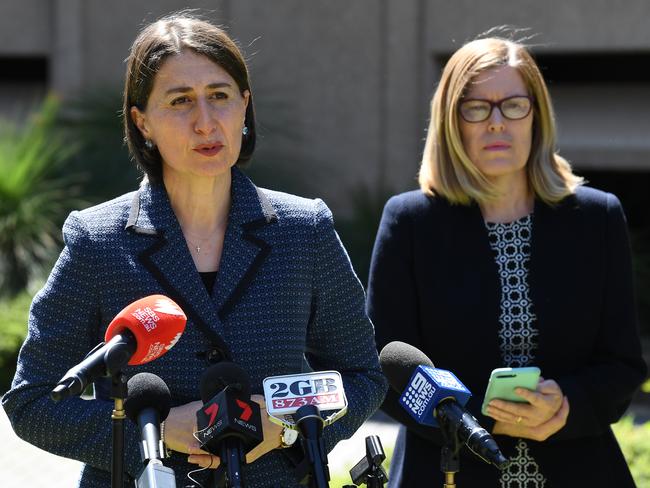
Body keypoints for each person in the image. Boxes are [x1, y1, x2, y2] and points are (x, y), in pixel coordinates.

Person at [2, 13, 387, 488]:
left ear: (244, 107)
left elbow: (363, 376)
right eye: (180, 101)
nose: (205, 122)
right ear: (142, 122)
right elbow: (33, 401)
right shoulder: (97, 240)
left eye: (220, 97)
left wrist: (288, 430)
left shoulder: (304, 230)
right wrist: (159, 433)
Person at [367, 36, 647, 487]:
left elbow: (623, 366)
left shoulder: (597, 217)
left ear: (536, 115)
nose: (497, 123)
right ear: (451, 122)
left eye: (514, 105)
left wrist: (568, 405)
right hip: (447, 472)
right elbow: (385, 371)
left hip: (580, 470)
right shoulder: (410, 222)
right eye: (476, 108)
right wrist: (477, 422)